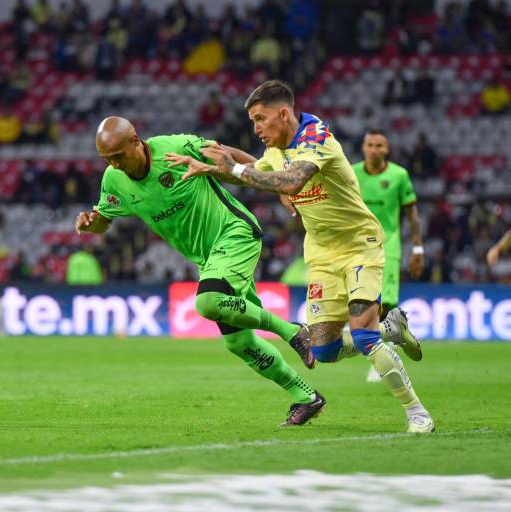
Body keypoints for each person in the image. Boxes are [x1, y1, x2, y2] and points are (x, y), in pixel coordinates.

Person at [167, 80, 434, 433]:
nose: (256, 128)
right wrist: (212, 162)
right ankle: (391, 327)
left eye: (260, 119)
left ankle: (417, 413)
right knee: (324, 350)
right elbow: (258, 171)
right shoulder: (276, 149)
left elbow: (291, 181)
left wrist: (233, 168)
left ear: (283, 113)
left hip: (359, 244)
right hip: (321, 253)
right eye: (251, 122)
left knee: (364, 335)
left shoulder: (315, 136)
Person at [75, 116, 324, 427]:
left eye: (118, 155)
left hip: (235, 234)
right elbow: (104, 218)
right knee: (239, 343)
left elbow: (226, 154)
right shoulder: (113, 179)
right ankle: (307, 395)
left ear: (135, 140)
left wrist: (277, 181)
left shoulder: (176, 148)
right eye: (107, 159)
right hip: (209, 259)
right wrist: (89, 223)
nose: (114, 163)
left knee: (207, 302)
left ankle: (293, 331)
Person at [352, 129, 424, 383]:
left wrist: (417, 248)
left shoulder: (399, 175)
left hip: (388, 246)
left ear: (387, 149)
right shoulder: (352, 173)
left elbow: (412, 214)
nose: (374, 149)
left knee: (385, 303)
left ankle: (382, 356)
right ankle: (388, 344)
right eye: (369, 144)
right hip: (356, 246)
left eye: (379, 145)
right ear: (363, 147)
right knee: (360, 303)